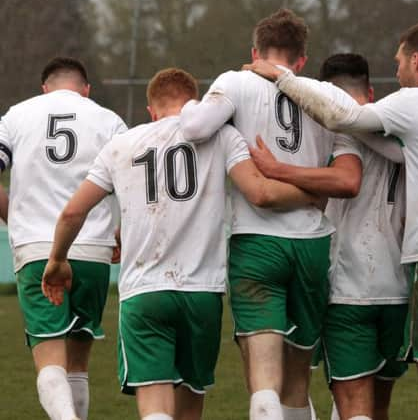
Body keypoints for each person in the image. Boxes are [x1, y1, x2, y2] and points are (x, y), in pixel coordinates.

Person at [245, 21, 418, 420]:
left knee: (372, 403)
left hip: (368, 283)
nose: (397, 69)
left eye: (400, 59)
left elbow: (341, 128)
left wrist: (281, 80)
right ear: (368, 92)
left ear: (416, 59)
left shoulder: (409, 106)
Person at [42, 68, 322, 420]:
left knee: (155, 405)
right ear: (195, 102)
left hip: (144, 293)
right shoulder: (222, 136)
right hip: (202, 293)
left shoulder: (121, 145)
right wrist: (314, 193)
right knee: (191, 402)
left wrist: (57, 260)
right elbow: (260, 193)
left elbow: (72, 213)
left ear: (151, 110)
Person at [180, 9, 363, 420]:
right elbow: (347, 178)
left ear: (254, 52)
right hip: (313, 246)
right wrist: (310, 192)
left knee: (264, 380)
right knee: (298, 382)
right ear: (301, 59)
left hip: (257, 244)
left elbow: (193, 128)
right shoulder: (327, 93)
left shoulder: (235, 82)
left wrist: (193, 101)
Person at [249, 53, 408, 420]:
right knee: (378, 407)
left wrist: (278, 169)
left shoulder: (336, 132)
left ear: (320, 95)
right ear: (369, 90)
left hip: (351, 287)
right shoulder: (403, 130)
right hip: (398, 287)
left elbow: (346, 182)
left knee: (353, 405)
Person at [0, 57, 126, 420]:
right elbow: (134, 185)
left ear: (45, 88)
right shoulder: (108, 119)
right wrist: (122, 232)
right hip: (94, 250)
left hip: (36, 247)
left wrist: (15, 217)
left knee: (49, 360)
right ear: (86, 89)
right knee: (77, 366)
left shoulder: (17, 116)